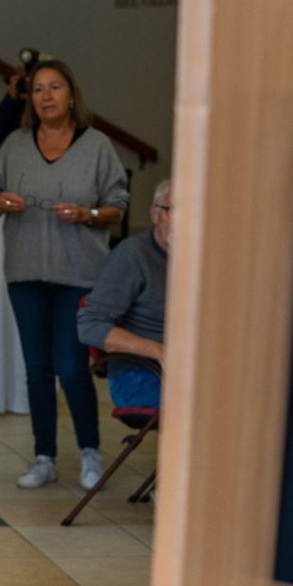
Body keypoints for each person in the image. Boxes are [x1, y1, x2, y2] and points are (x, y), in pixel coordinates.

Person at [0, 58, 129, 489]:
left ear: (71, 95)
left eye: (55, 88)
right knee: (36, 367)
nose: (46, 96)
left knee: (70, 365)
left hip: (79, 274)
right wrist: (0, 203)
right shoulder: (15, 144)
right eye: (39, 89)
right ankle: (43, 456)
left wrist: (89, 213)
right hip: (25, 272)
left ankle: (90, 453)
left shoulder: (97, 145)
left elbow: (117, 207)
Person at [77, 176, 172, 412]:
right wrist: (160, 352)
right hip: (139, 373)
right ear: (155, 214)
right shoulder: (132, 256)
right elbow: (90, 326)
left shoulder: (204, 255)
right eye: (174, 210)